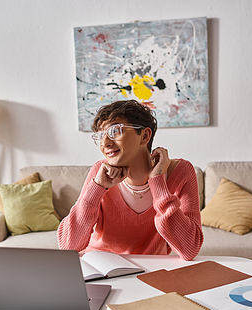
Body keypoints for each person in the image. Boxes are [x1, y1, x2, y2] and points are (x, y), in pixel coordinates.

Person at [57, 100, 203, 261]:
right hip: (101, 269)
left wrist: (158, 182)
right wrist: (97, 188)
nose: (105, 143)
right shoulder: (99, 173)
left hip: (150, 272)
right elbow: (67, 246)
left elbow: (190, 249)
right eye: (100, 136)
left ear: (145, 136)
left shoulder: (181, 172)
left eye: (115, 131)